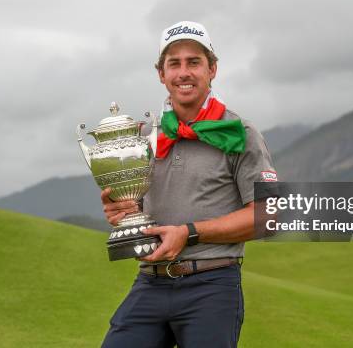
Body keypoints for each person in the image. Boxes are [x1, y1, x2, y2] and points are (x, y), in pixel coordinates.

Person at [100, 20, 277, 348]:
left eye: (194, 62)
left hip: (211, 285)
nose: (184, 72)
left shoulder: (241, 133)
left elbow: (268, 216)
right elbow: (137, 207)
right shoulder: (146, 136)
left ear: (212, 69)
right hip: (150, 282)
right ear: (161, 74)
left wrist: (189, 232)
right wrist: (123, 211)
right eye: (174, 63)